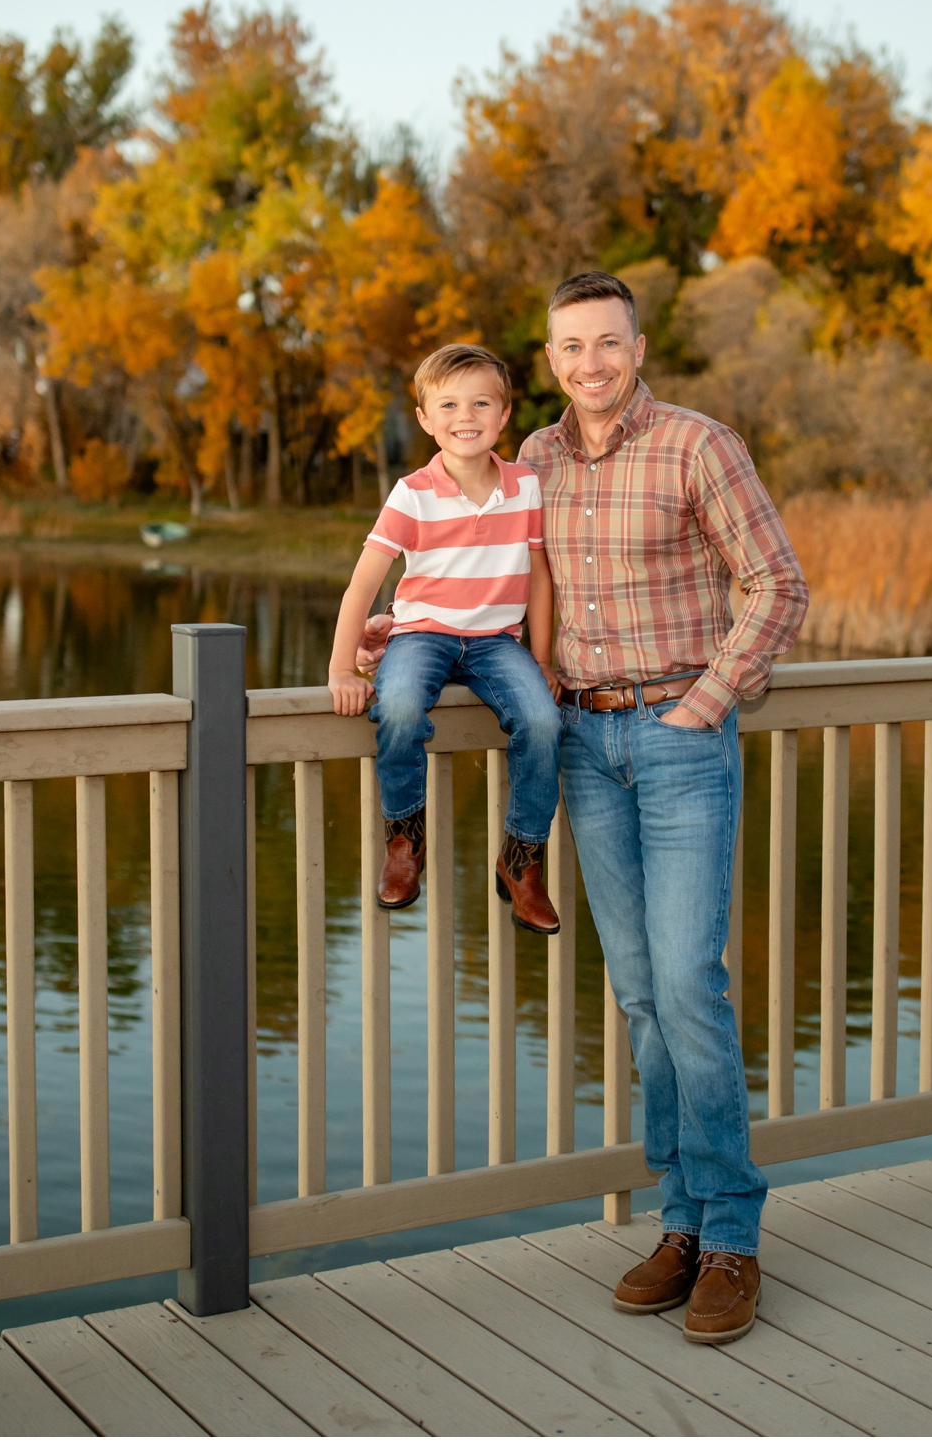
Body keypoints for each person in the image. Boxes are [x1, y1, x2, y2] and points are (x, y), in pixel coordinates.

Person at [366, 272, 806, 1343]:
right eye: (571, 347)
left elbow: (779, 584)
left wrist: (706, 701)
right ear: (551, 358)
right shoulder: (536, 465)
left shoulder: (700, 446)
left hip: (679, 737)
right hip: (584, 745)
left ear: (637, 346)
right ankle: (684, 1218)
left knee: (692, 988)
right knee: (643, 994)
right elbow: (484, 577)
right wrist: (403, 634)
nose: (591, 363)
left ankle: (736, 1234)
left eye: (608, 343)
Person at [326, 344, 562, 933]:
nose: (467, 415)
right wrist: (339, 670)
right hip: (422, 635)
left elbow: (538, 578)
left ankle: (522, 860)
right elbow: (362, 587)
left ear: (504, 414)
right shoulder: (412, 493)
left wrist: (541, 662)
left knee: (542, 721)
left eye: (481, 402)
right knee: (400, 705)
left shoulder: (525, 486)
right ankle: (405, 839)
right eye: (450, 404)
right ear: (427, 419)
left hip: (496, 642)